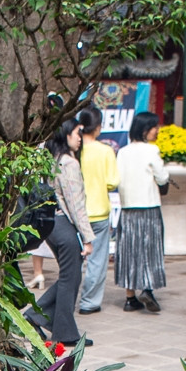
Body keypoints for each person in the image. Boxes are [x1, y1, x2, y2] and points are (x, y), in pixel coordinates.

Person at [28, 118, 94, 344]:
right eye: (77, 132)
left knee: (70, 276)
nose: (79, 137)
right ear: (65, 134)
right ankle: (63, 332)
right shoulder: (68, 163)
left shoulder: (50, 160)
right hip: (63, 225)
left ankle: (38, 317)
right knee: (70, 277)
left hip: (50, 226)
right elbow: (76, 206)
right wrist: (87, 238)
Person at [113, 112, 169, 313]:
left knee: (129, 251)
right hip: (149, 207)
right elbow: (162, 178)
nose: (157, 130)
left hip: (128, 208)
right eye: (155, 127)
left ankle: (130, 298)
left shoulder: (122, 152)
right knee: (150, 249)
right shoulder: (152, 150)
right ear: (146, 130)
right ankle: (147, 288)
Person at [74, 108, 120, 314]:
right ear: (99, 127)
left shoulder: (74, 150)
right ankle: (89, 302)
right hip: (99, 212)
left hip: (75, 213)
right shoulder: (105, 151)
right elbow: (112, 182)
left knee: (74, 260)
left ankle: (68, 300)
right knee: (97, 261)